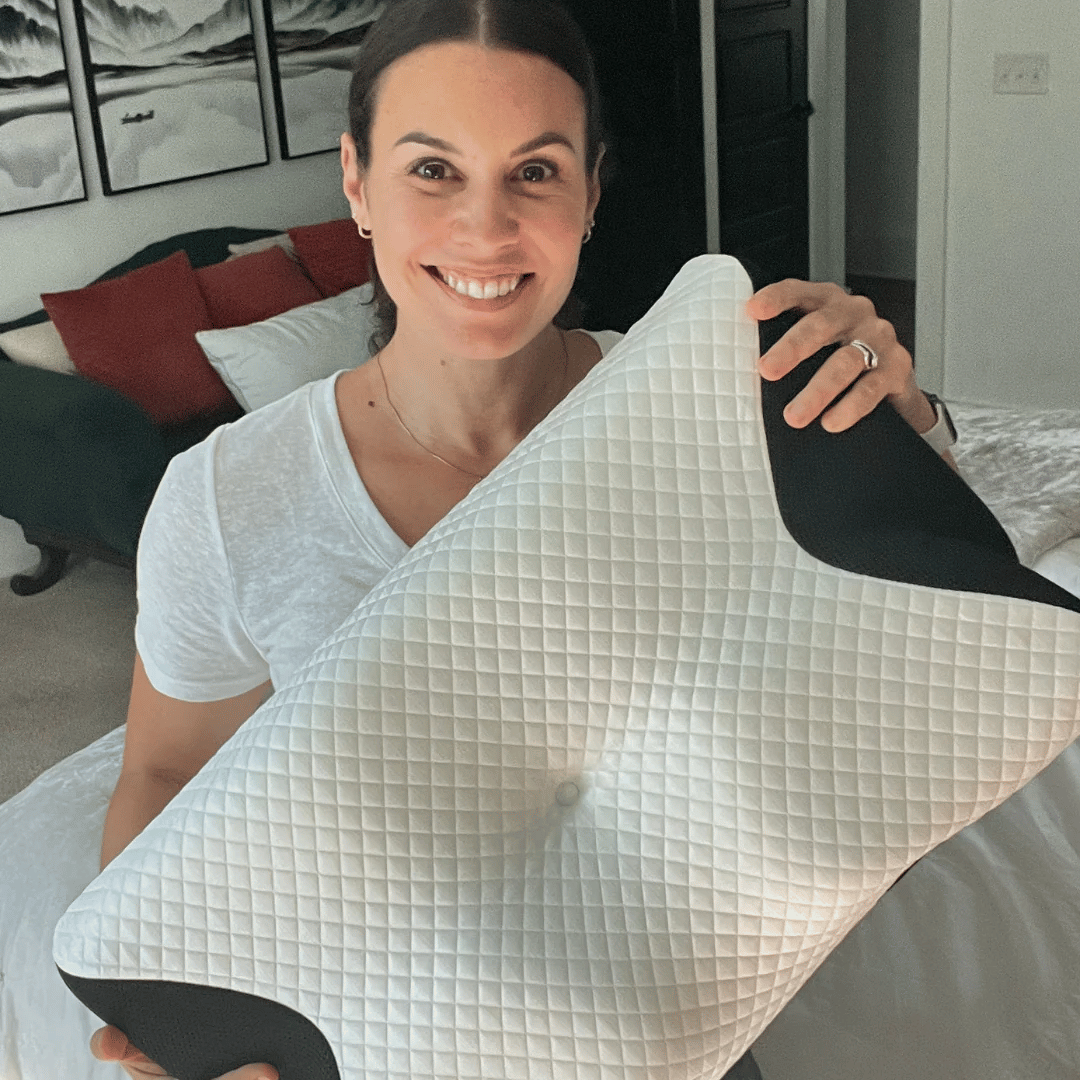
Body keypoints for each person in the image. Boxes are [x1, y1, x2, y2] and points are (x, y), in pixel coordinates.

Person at [87, 1, 954, 1077]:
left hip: (685, 1016)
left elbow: (913, 620)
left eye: (535, 171)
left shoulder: (716, 408)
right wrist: (178, 1023)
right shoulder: (229, 497)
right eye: (433, 170)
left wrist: (902, 423)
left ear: (591, 192)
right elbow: (168, 768)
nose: (487, 228)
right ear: (357, 183)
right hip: (392, 1030)